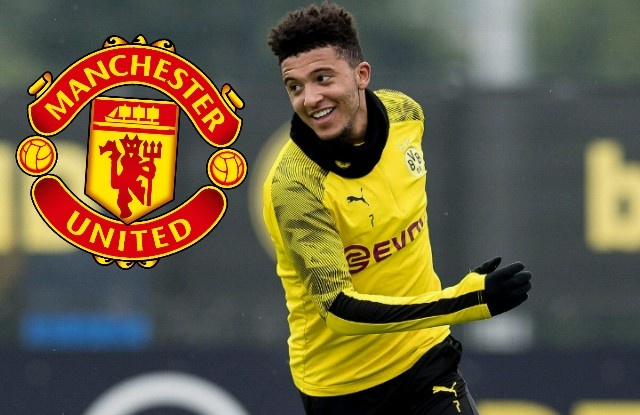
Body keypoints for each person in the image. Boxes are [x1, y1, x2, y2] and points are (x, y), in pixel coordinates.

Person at [262, 3, 532, 414]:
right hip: (343, 389)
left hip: (426, 359)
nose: (310, 98)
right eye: (294, 87)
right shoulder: (296, 186)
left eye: (323, 78)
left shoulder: (406, 115)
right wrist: (466, 301)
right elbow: (340, 311)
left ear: (361, 75)